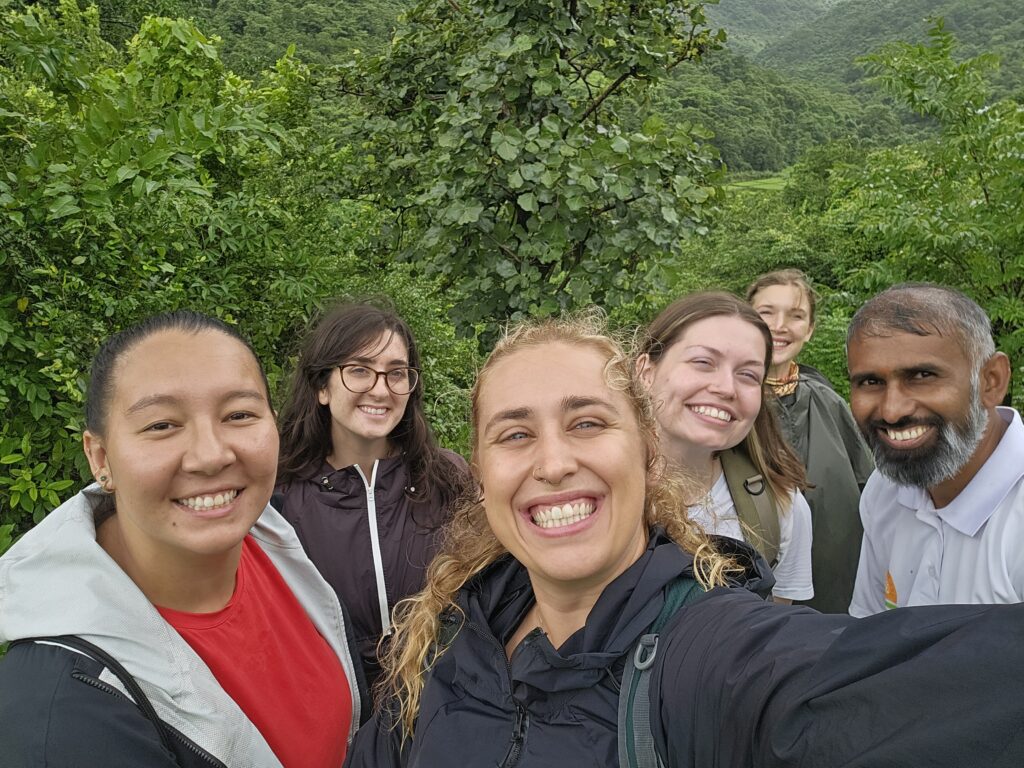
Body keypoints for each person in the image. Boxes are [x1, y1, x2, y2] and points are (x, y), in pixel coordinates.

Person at [344, 312, 1024, 768]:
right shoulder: (451, 630)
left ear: (645, 453)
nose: (551, 463)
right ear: (483, 473)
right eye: (515, 434)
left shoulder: (708, 654)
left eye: (586, 424)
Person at [0, 311, 362, 767]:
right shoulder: (55, 716)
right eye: (161, 425)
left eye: (239, 414)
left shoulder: (278, 542)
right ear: (100, 457)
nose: (211, 455)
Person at [275, 301, 471, 696]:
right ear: (322, 387)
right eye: (359, 370)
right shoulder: (280, 500)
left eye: (396, 373)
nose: (381, 389)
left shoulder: (447, 478)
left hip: (443, 704)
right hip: (337, 713)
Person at [847, 283, 1023, 616]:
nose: (892, 411)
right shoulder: (884, 492)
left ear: (991, 381)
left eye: (922, 375)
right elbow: (871, 635)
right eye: (871, 382)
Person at [637, 292, 814, 604]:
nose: (726, 388)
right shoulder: (590, 490)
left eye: (747, 374)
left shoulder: (779, 507)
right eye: (703, 362)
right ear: (646, 372)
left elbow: (770, 631)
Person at [747, 269, 873, 613]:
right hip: (750, 601)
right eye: (766, 313)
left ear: (810, 329)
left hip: (836, 594)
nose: (780, 325)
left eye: (796, 315)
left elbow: (873, 489)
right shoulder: (725, 404)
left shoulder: (829, 402)